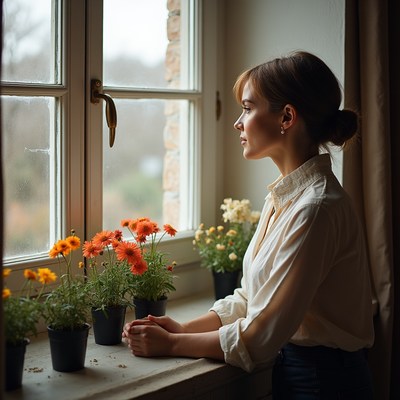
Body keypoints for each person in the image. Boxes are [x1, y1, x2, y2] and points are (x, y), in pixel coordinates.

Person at [123, 51, 375, 399]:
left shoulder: (315, 209)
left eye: (247, 107)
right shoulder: (285, 198)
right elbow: (252, 299)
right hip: (302, 373)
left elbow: (260, 336)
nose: (237, 123)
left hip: (324, 383)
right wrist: (183, 327)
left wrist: (173, 343)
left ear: (286, 117)